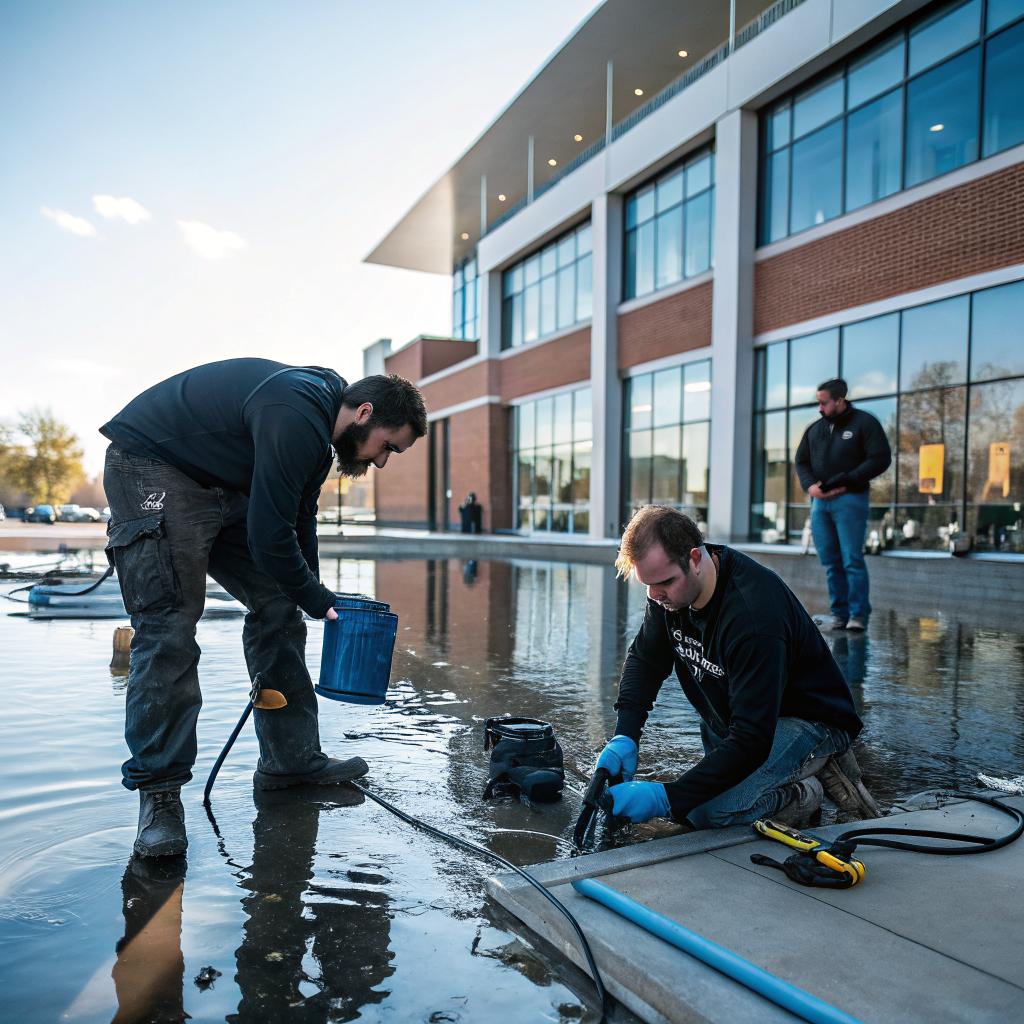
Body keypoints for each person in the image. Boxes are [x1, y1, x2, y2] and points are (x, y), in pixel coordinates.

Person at [100, 359, 426, 858]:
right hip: (153, 466)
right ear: (364, 412)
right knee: (168, 627)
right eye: (388, 447)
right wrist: (320, 601)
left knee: (279, 603)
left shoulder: (318, 439)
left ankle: (290, 760)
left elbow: (299, 522)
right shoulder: (296, 410)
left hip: (222, 481)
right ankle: (160, 798)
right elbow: (269, 535)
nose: (383, 462)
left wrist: (313, 593)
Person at [595, 505, 880, 830]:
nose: (655, 595)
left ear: (695, 559)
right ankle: (786, 773)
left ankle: (806, 791)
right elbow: (646, 660)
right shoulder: (669, 593)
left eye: (664, 583)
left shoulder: (752, 614)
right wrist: (625, 735)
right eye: (648, 586)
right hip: (743, 716)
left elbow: (752, 739)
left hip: (806, 719)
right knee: (704, 794)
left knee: (706, 813)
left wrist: (669, 799)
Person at [795, 377, 891, 632]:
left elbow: (880, 458)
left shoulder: (864, 423)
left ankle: (858, 615)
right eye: (819, 403)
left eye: (824, 403)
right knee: (830, 560)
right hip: (820, 503)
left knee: (852, 559)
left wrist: (847, 481)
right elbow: (801, 461)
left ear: (839, 400)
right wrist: (810, 486)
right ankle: (840, 613)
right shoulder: (815, 429)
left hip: (850, 499)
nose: (820, 408)